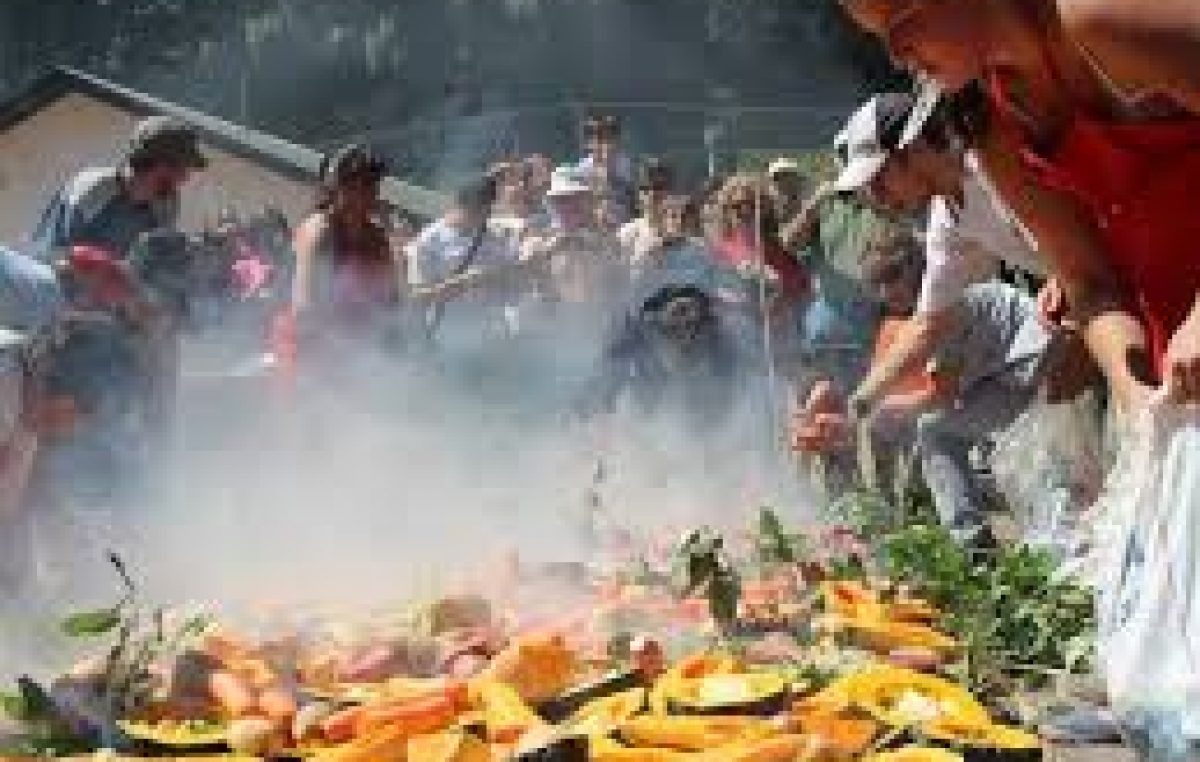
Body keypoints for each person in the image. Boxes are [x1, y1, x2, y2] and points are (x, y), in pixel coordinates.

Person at [837, 0, 1200, 411]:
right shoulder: (988, 117)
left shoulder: (1098, 18)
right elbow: (1089, 282)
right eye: (879, 35)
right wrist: (1134, 393)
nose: (895, 53)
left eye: (901, 18)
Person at [796, 236, 1072, 546]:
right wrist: (858, 413)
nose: (885, 292)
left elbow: (940, 396)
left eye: (891, 277)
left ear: (914, 270)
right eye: (876, 283)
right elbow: (904, 393)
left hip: (1035, 368)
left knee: (939, 433)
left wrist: (868, 414)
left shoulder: (942, 305)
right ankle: (955, 531)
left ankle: (974, 545)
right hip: (1005, 376)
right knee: (934, 432)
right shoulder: (908, 319)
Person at [826, 90, 1063, 418]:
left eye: (879, 179)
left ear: (913, 148)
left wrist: (1067, 275)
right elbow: (929, 326)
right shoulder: (948, 218)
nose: (877, 197)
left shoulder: (991, 163)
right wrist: (861, 403)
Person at [31, 116, 206, 262]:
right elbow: (53, 255)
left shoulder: (167, 201)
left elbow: (154, 259)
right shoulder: (93, 189)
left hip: (109, 294)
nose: (184, 178)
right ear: (151, 159)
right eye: (179, 168)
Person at [578, 284, 750, 432]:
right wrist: (594, 410)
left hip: (698, 414)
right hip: (648, 408)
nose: (683, 325)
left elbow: (732, 379)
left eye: (689, 320)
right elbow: (608, 371)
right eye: (677, 316)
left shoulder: (718, 337)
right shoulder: (639, 327)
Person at [287, 144, 399, 357]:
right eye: (363, 183)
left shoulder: (377, 237)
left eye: (374, 183)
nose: (372, 192)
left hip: (360, 351)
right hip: (309, 353)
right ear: (336, 187)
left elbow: (391, 304)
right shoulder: (318, 230)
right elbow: (302, 309)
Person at [617, 158, 675, 277]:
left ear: (670, 192)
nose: (652, 193)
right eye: (645, 188)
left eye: (659, 187)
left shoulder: (682, 231)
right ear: (638, 195)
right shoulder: (627, 234)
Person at [575, 114, 635, 223]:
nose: (603, 143)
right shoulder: (583, 167)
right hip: (592, 221)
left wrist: (607, 169)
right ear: (589, 143)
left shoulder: (625, 163)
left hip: (621, 220)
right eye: (597, 138)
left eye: (608, 138)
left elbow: (629, 198)